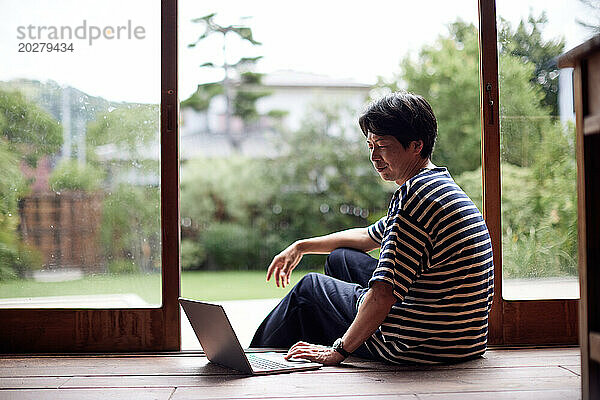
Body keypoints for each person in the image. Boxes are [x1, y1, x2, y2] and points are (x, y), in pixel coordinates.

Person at [250, 92, 494, 365]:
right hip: (460, 340)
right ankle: (323, 338)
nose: (374, 157)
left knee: (309, 289)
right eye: (370, 146)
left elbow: (384, 292)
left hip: (419, 345)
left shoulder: (415, 200)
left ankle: (253, 361)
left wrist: (339, 351)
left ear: (416, 145)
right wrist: (301, 247)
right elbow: (367, 237)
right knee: (341, 257)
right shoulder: (436, 185)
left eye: (383, 146)